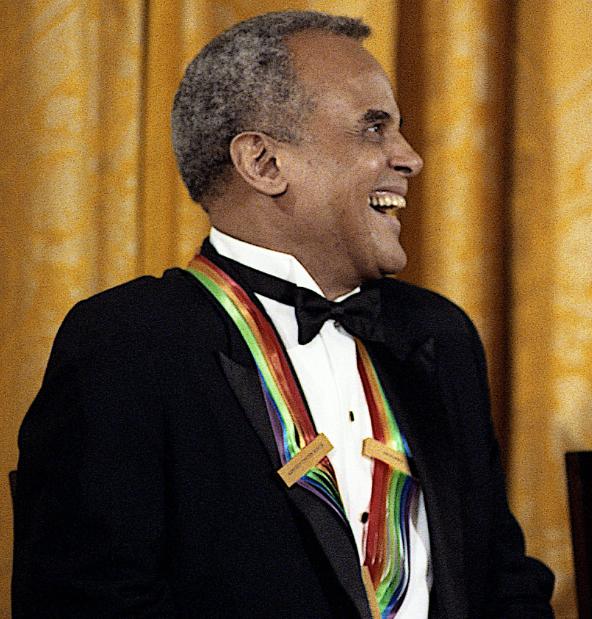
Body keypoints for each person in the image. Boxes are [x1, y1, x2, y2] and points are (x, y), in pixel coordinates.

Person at [13, 11, 553, 618]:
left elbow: (503, 581)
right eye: (373, 129)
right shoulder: (128, 344)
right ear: (264, 164)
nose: (411, 158)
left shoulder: (437, 333)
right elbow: (84, 605)